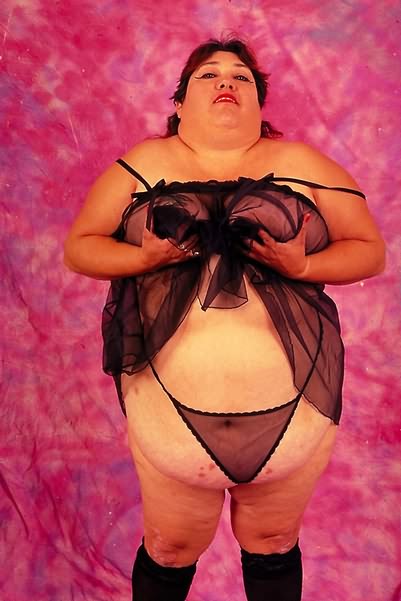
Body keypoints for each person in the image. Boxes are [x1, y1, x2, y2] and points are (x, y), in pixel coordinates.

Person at [64, 36, 385, 601]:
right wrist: (142, 258)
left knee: (275, 540)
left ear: (260, 102)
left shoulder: (305, 164)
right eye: (209, 75)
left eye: (241, 77)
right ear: (180, 102)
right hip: (170, 416)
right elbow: (80, 247)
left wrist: (304, 264)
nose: (226, 83)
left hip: (295, 412)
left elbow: (369, 250)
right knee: (169, 548)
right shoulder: (142, 162)